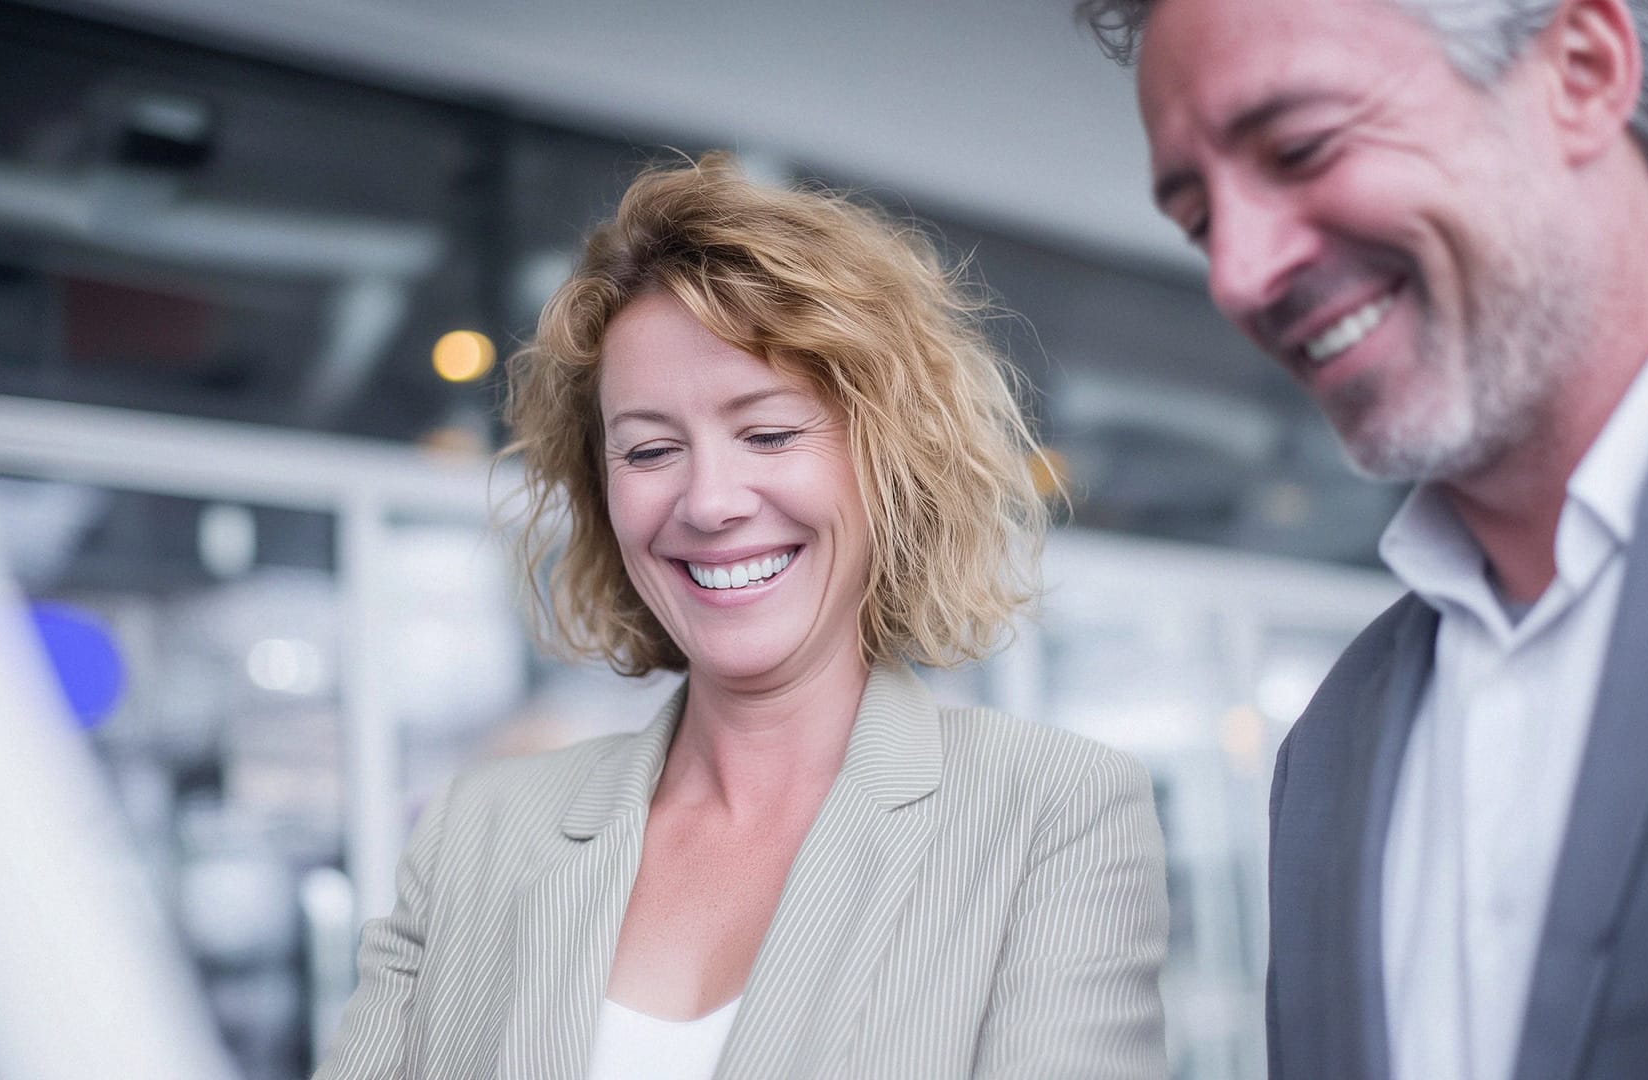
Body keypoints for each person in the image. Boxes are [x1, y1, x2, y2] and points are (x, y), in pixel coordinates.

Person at [314, 153, 1168, 1079]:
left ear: (886, 462)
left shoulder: (1052, 815)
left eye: (768, 433)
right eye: (648, 450)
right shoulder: (476, 832)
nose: (709, 502)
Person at [1077, 0, 1648, 1077]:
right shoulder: (1329, 751)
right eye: (1200, 222)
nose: (1237, 275)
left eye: (1303, 147)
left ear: (1583, 71)